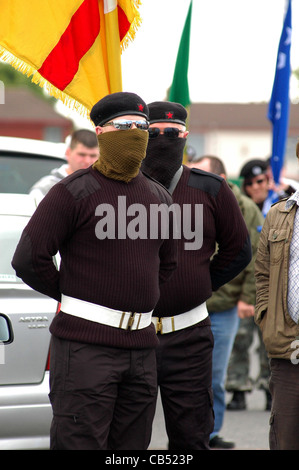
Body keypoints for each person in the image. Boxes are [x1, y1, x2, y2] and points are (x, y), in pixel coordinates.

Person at [11, 92, 178, 450]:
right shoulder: (72, 192)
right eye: (123, 126)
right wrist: (73, 295)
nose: (135, 133)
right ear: (100, 132)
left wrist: (136, 300)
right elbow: (29, 257)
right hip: (86, 348)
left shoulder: (160, 197)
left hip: (142, 348)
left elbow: (168, 263)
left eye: (141, 127)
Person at [141, 101, 252, 450]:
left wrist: (202, 282)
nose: (162, 139)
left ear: (186, 137)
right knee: (125, 436)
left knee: (191, 436)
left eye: (171, 134)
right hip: (130, 336)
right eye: (153, 132)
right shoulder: (122, 187)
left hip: (189, 334)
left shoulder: (211, 188)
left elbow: (238, 250)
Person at [191, 155, 264, 449]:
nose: (193, 178)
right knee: (185, 376)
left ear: (220, 177)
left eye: (201, 173)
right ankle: (188, 434)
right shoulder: (185, 201)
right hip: (188, 305)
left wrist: (246, 299)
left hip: (223, 307)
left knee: (215, 375)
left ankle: (210, 432)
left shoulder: (243, 208)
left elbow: (255, 256)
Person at [255, 141, 299, 450]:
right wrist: (267, 317)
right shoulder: (279, 214)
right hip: (287, 348)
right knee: (286, 437)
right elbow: (262, 275)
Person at [225, 158, 272, 411]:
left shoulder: (281, 205)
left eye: (261, 181)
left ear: (268, 181)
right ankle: (238, 388)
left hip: (272, 289)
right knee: (240, 340)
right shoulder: (237, 209)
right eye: (250, 183)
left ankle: (269, 390)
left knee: (269, 342)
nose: (256, 187)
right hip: (244, 284)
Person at [29, 129, 99, 204]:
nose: (87, 161)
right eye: (82, 155)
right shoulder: (46, 188)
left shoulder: (104, 186)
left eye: (93, 156)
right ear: (68, 153)